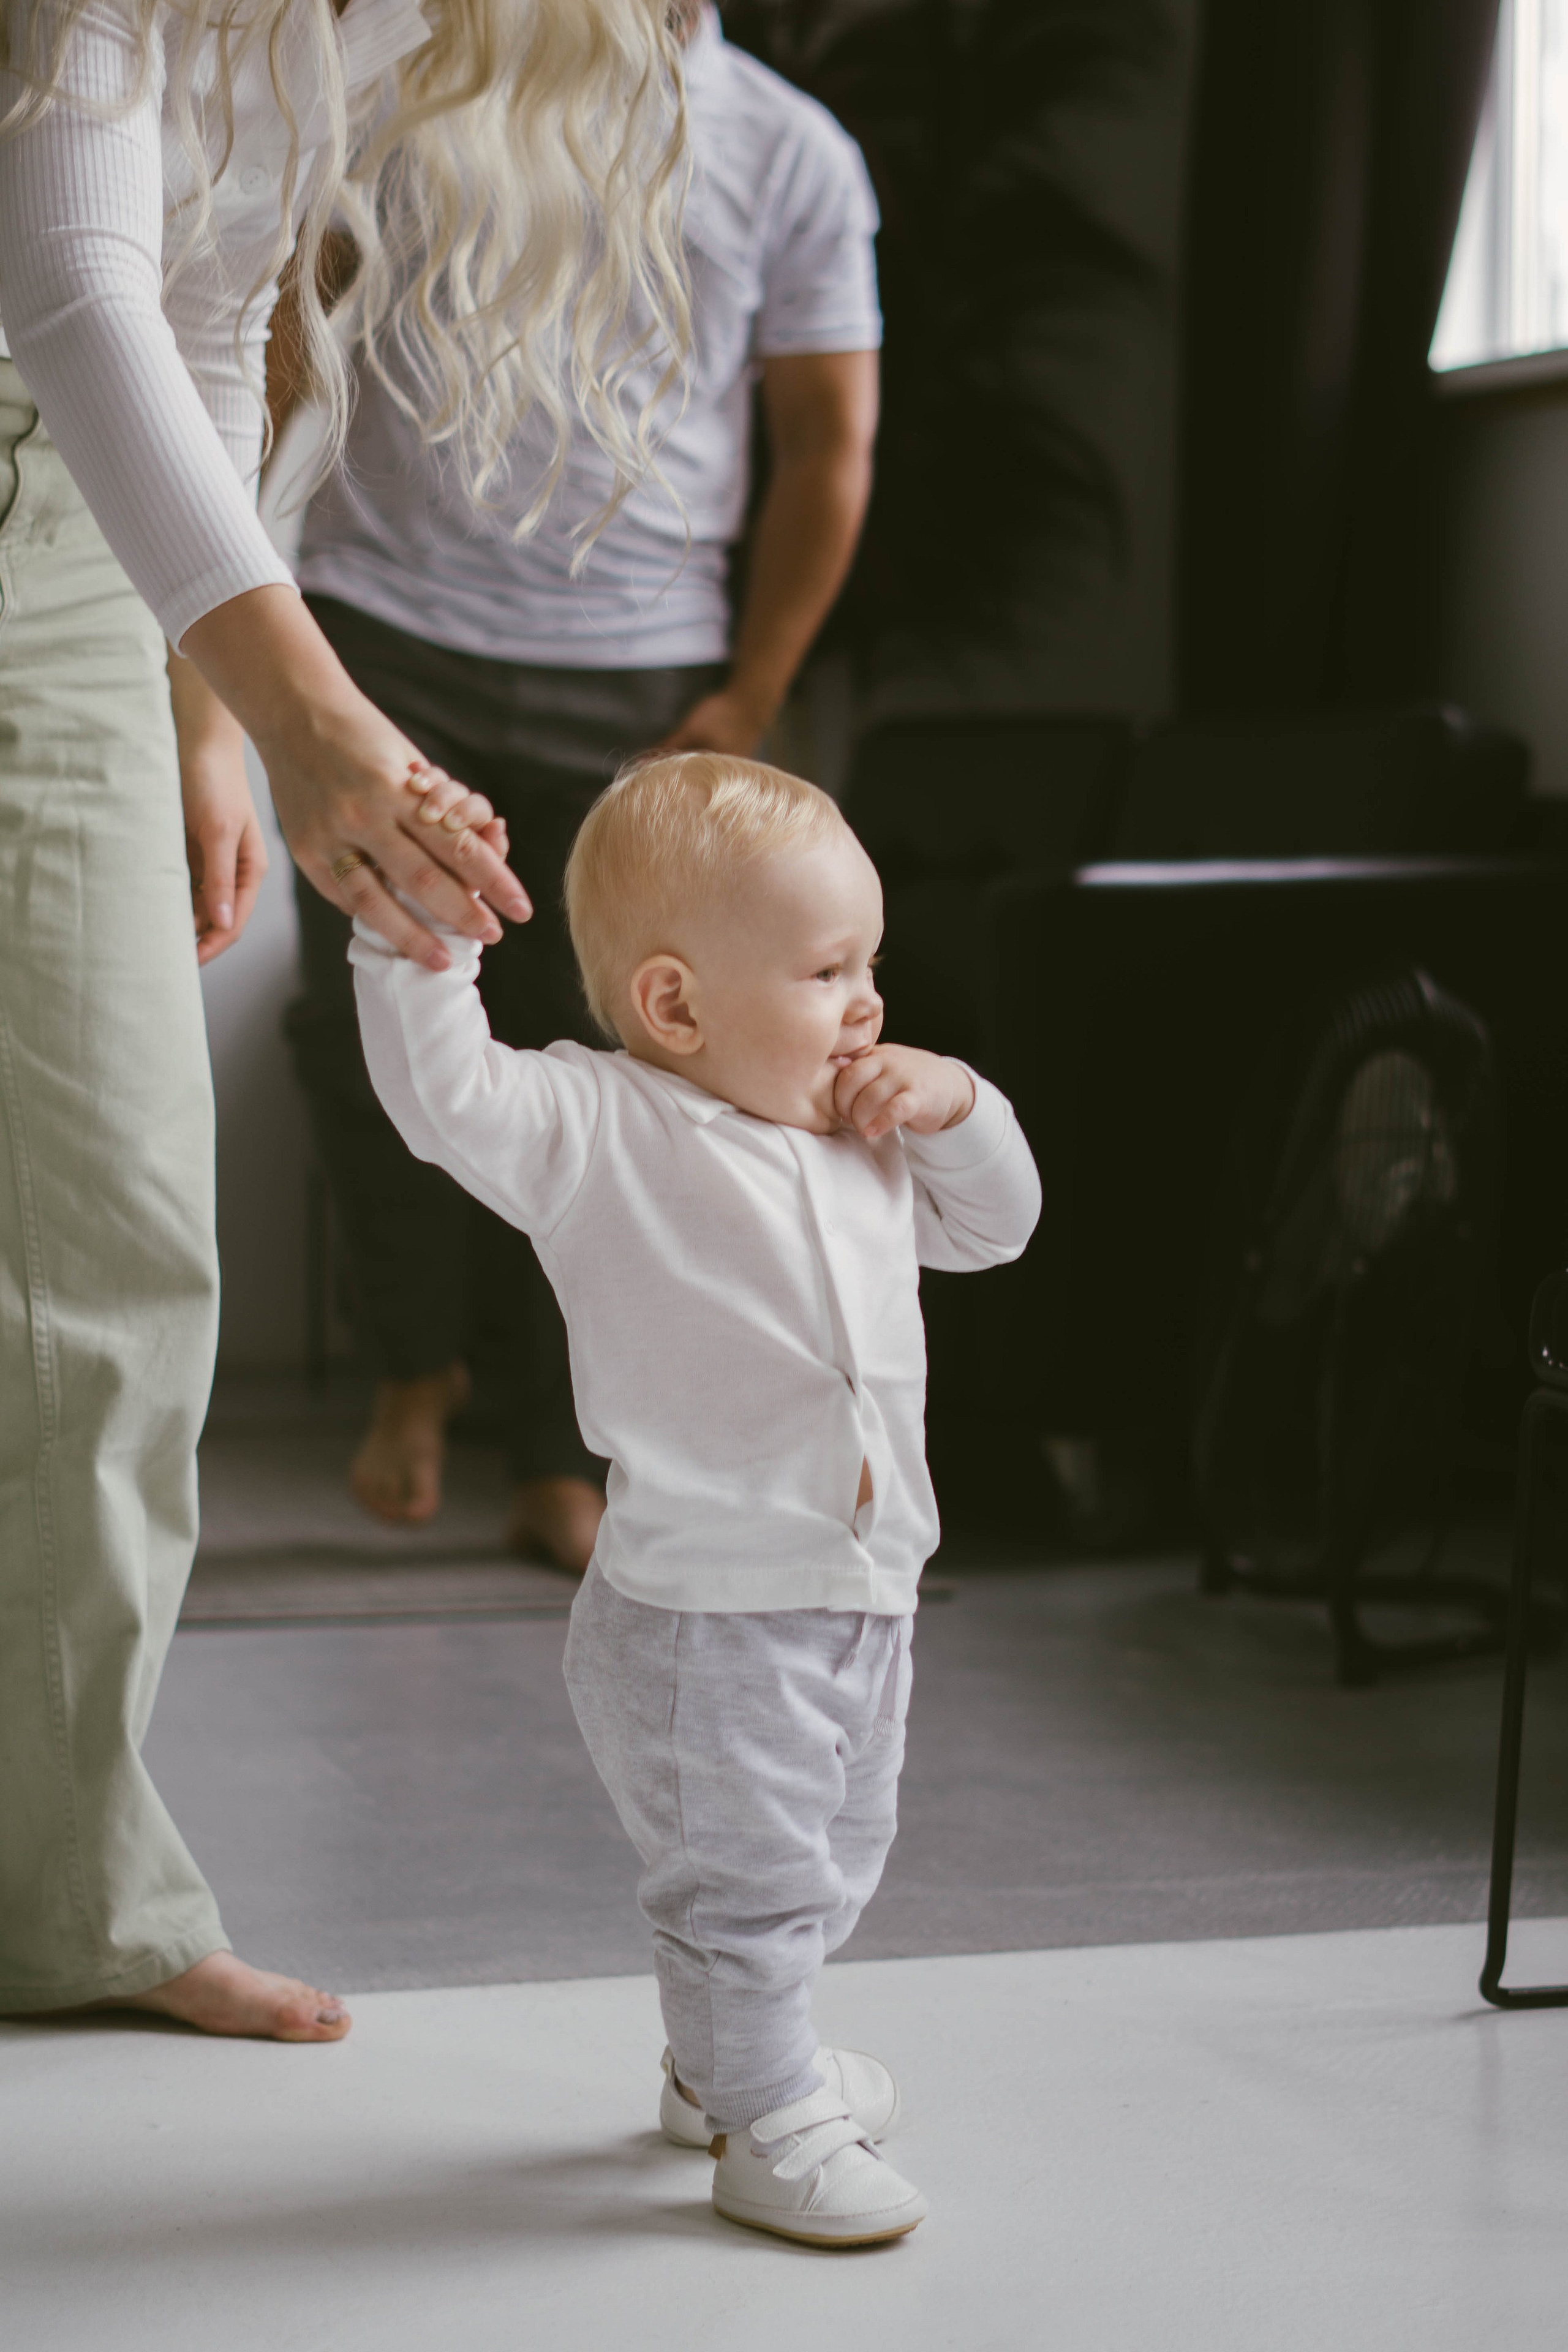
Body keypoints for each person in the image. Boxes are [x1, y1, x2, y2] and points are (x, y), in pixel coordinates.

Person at [0, 0, 686, 2040]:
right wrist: (312, 717)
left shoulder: (422, 13)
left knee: (118, 1245)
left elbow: (203, 315)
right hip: (45, 401)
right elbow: (68, 273)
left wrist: (206, 706)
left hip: (72, 554)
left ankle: (67, 1895)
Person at [350, 752, 1041, 2244]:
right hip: (705, 1620)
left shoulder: (863, 1135)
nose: (865, 1003)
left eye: (871, 965)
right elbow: (440, 1096)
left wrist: (960, 1102)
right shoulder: (603, 1132)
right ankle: (766, 2120)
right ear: (674, 1007)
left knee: (831, 1856)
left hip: (862, 1595)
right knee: (749, 1882)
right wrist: (422, 929)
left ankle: (723, 2058)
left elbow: (995, 1231)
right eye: (825, 969)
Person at [278, 0, 881, 1568]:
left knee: (626, 1071)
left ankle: (564, 1452)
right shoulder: (403, 73)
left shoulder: (790, 152)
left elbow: (827, 439)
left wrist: (748, 694)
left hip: (645, 681)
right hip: (380, 641)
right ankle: (420, 1366)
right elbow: (276, 322)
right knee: (359, 1033)